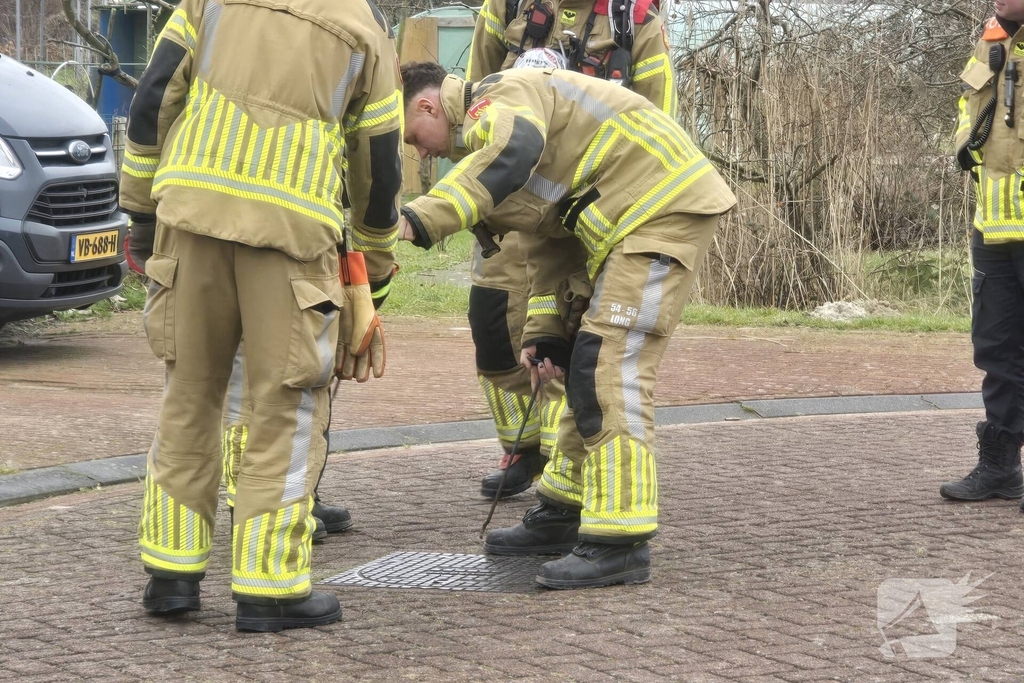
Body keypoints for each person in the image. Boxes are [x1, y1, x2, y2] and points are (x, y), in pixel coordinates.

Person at [397, 61, 735, 588]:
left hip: (662, 208)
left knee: (609, 366)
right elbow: (546, 241)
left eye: (415, 138)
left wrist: (419, 218)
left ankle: (620, 540)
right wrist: (546, 331)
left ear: (427, 106)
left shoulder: (502, 99)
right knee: (582, 360)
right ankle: (564, 509)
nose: (422, 153)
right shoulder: (502, 130)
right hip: (627, 224)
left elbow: (511, 154)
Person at [119, 0, 401, 630]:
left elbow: (152, 99)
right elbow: (379, 163)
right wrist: (372, 268)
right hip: (293, 235)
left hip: (190, 220)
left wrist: (142, 212)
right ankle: (269, 588)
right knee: (285, 406)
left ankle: (171, 575)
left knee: (189, 393)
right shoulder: (364, 29)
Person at [463, 0, 679, 501]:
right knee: (493, 329)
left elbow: (658, 126)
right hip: (511, 200)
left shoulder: (635, 21)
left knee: (560, 342)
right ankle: (523, 444)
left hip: (582, 211)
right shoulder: (506, 6)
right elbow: (478, 96)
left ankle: (564, 483)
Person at [940, 0, 1024, 504]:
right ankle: (999, 468)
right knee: (996, 349)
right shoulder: (993, 37)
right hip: (994, 223)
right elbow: (967, 111)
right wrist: (960, 145)